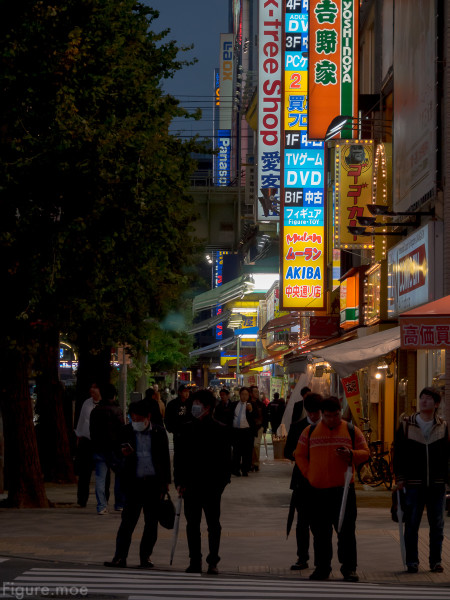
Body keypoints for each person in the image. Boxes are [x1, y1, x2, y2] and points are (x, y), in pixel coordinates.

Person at [295, 396, 369, 582]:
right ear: (322, 414)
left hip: (343, 491)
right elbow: (299, 455)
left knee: (346, 532)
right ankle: (322, 568)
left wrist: (351, 454)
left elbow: (366, 453)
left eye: (335, 415)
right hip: (317, 491)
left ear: (339, 412)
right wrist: (309, 473)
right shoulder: (310, 431)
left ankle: (349, 568)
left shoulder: (351, 430)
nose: (332, 420)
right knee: (320, 533)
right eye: (327, 416)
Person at [104, 399, 171, 569]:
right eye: (133, 418)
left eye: (139, 419)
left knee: (151, 523)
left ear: (148, 417)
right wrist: (123, 458)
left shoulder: (158, 432)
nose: (137, 422)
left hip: (153, 484)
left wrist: (165, 483)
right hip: (133, 483)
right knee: (127, 522)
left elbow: (164, 460)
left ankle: (145, 556)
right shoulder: (126, 431)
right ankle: (120, 557)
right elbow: (114, 456)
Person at [174, 389, 231, 574]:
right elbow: (179, 458)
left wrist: (221, 484)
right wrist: (179, 481)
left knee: (213, 524)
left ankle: (213, 560)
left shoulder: (220, 429)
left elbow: (225, 461)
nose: (194, 407)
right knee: (192, 525)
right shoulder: (186, 427)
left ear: (207, 407)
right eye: (193, 403)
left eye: (197, 403)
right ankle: (195, 560)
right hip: (190, 485)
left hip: (212, 486)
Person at [393, 387, 449, 574]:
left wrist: (447, 479)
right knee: (412, 523)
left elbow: (447, 455)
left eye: (428, 399)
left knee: (437, 524)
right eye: (422, 398)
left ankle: (436, 561)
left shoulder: (443, 426)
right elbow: (398, 453)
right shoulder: (407, 425)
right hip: (413, 483)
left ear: (436, 404)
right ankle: (412, 562)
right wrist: (400, 478)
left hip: (437, 484)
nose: (423, 401)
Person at [284, 393, 322, 571]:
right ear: (306, 411)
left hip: (323, 481)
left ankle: (321, 560)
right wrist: (298, 454)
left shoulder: (327, 426)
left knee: (320, 523)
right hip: (302, 481)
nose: (314, 416)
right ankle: (302, 557)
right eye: (311, 413)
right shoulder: (298, 427)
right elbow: (287, 451)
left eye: (317, 413)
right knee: (302, 522)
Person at [89, 383, 125, 514]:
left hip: (99, 448)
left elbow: (91, 431)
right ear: (114, 396)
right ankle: (119, 503)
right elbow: (121, 430)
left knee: (100, 478)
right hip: (114, 449)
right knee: (120, 475)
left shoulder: (95, 411)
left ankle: (101, 506)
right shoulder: (117, 410)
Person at [74, 383, 102, 507]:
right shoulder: (86, 403)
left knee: (101, 473)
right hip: (86, 440)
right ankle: (82, 499)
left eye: (95, 388)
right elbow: (81, 420)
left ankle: (102, 499)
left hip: (100, 442)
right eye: (91, 388)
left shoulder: (105, 404)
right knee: (84, 472)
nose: (92, 390)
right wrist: (78, 435)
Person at [231, 387, 257, 476]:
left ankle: (245, 469)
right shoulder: (234, 404)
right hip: (236, 431)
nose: (244, 396)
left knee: (247, 452)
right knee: (236, 451)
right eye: (243, 394)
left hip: (247, 431)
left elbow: (256, 417)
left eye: (246, 394)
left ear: (249, 395)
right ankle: (236, 469)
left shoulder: (252, 405)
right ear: (240, 395)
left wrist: (250, 410)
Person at [249, 384, 267, 472]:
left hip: (259, 427)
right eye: (255, 392)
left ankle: (255, 463)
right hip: (249, 428)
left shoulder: (261, 404)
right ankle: (252, 463)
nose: (257, 393)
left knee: (256, 445)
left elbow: (265, 416)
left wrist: (264, 427)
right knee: (251, 446)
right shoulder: (247, 404)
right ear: (251, 393)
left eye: (257, 392)